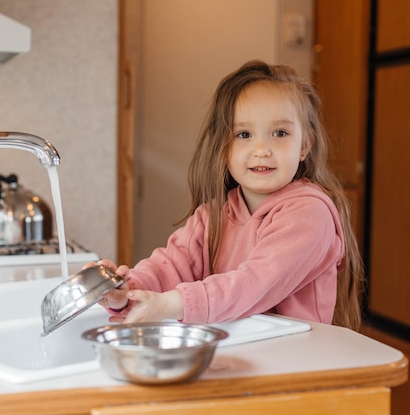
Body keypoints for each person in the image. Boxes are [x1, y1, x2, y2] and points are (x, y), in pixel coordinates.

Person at [93, 59, 364, 330]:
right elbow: (170, 266)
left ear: (304, 145)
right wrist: (126, 292)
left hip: (295, 362)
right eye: (244, 134)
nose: (262, 149)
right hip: (239, 353)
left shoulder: (309, 215)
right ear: (224, 147)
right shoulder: (212, 216)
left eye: (279, 133)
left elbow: (253, 283)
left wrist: (173, 304)